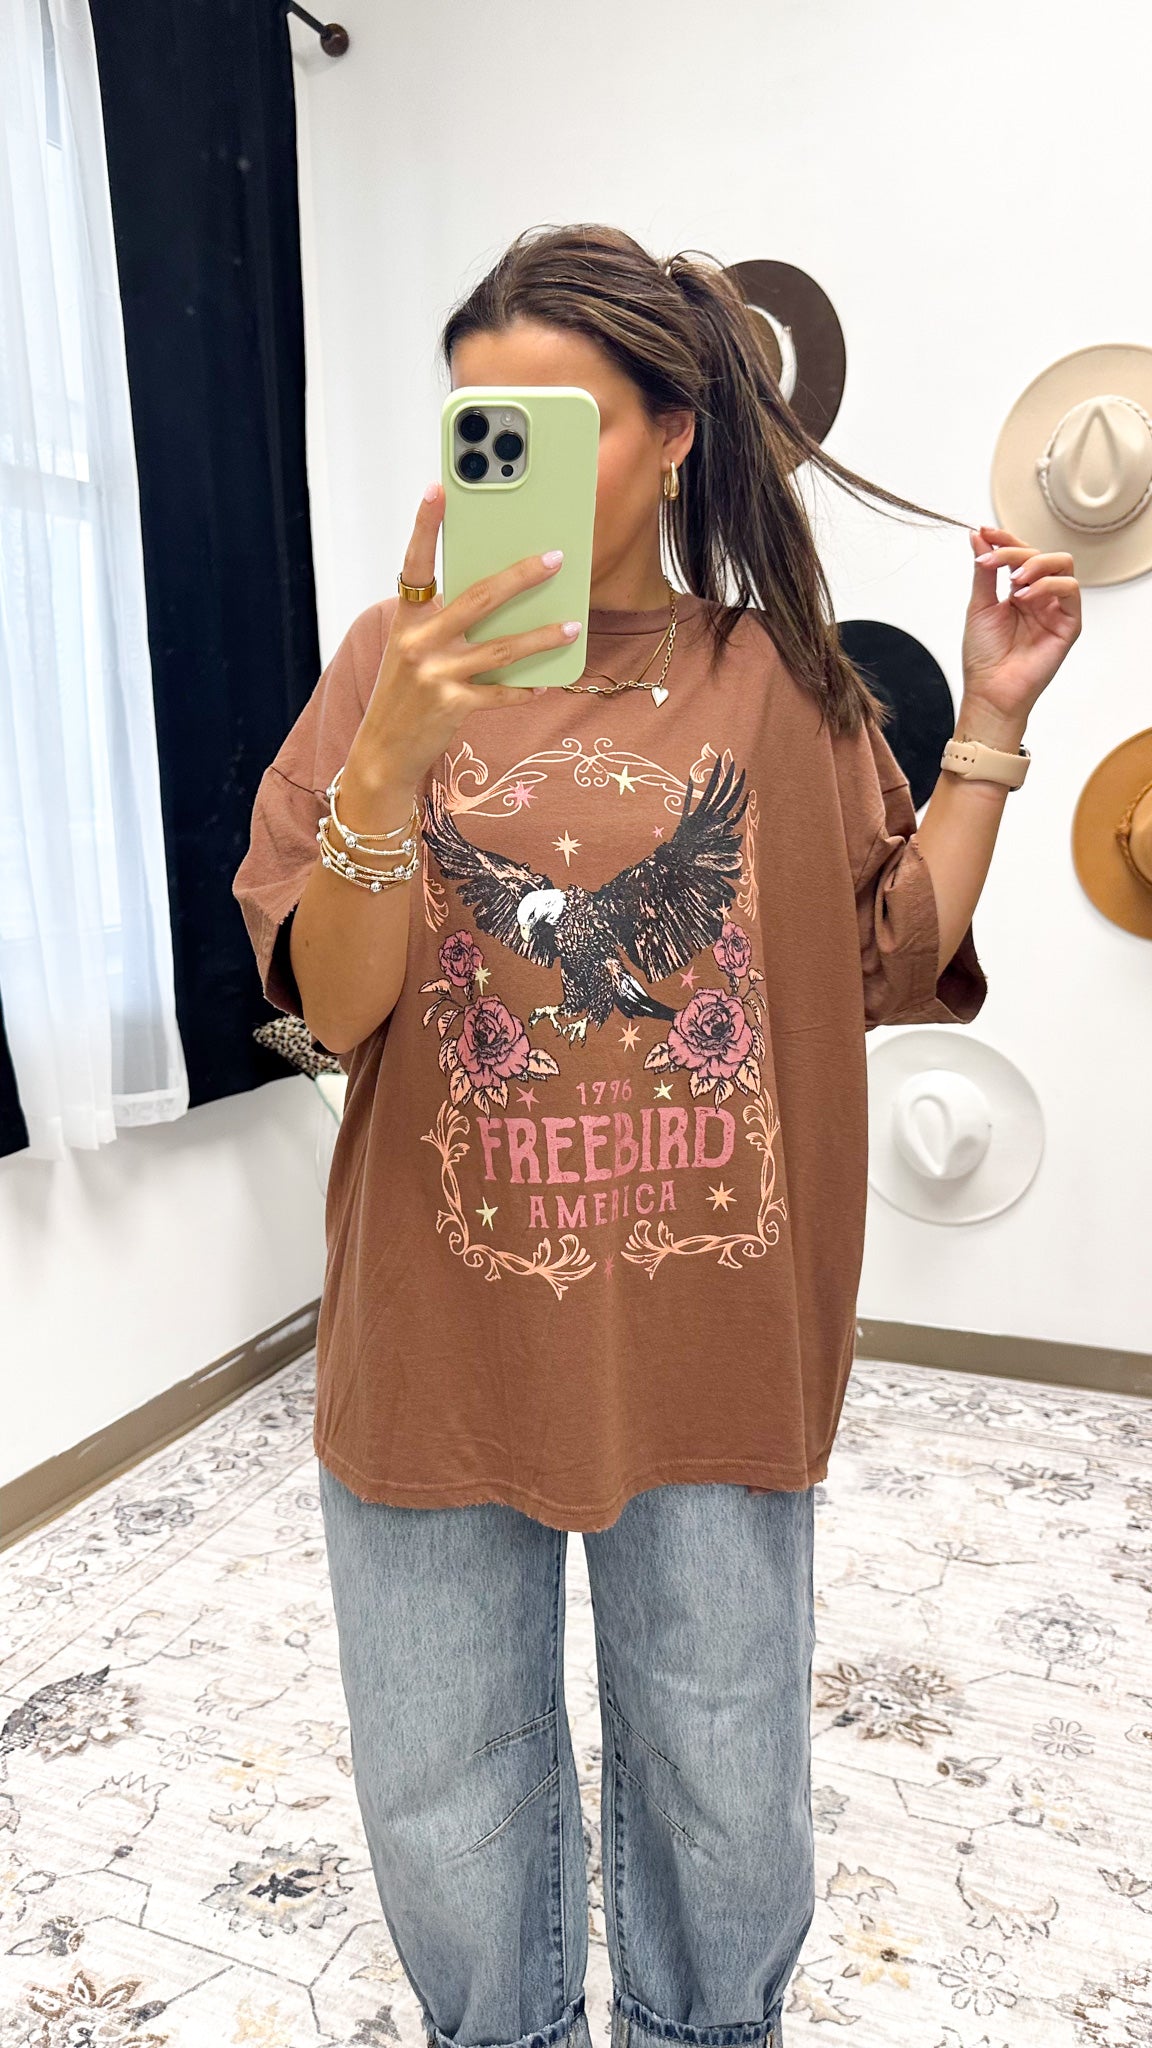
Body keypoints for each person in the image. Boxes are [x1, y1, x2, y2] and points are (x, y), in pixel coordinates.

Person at [232, 224, 1080, 2048]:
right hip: (441, 1341)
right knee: (445, 1799)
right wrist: (392, 752)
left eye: (556, 425)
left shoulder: (775, 677)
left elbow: (882, 953)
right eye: (477, 428)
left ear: (678, 432)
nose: (503, 466)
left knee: (722, 1780)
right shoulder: (387, 664)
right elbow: (339, 1003)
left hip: (712, 1337)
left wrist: (995, 723)